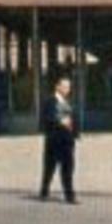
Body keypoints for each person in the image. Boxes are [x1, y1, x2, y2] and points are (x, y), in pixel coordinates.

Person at [39, 76, 78, 204]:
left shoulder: (68, 102)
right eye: (65, 86)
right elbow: (47, 118)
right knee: (49, 168)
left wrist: (75, 133)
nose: (67, 89)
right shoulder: (50, 101)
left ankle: (69, 195)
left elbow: (73, 118)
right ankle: (44, 191)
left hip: (67, 140)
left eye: (69, 87)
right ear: (58, 87)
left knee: (68, 168)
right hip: (54, 140)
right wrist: (60, 122)